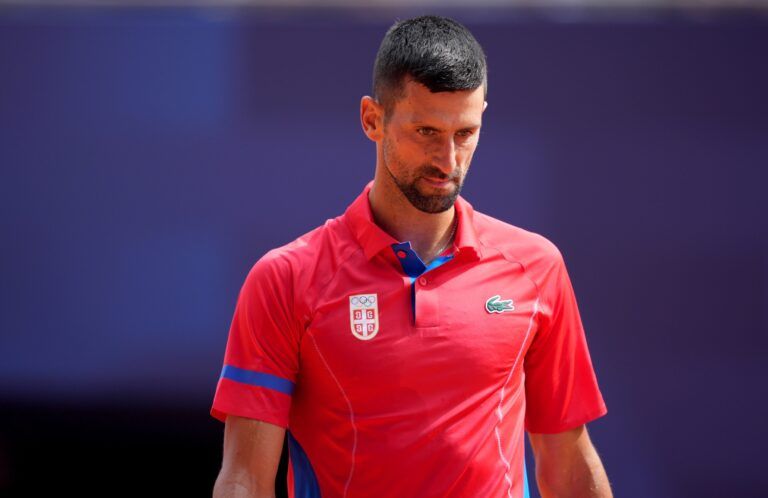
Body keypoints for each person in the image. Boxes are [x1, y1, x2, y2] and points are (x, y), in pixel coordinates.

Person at [211, 14, 611, 498]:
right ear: (372, 119)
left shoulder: (537, 268)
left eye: (465, 133)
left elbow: (568, 462)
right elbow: (245, 479)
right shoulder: (285, 279)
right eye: (425, 131)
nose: (448, 160)